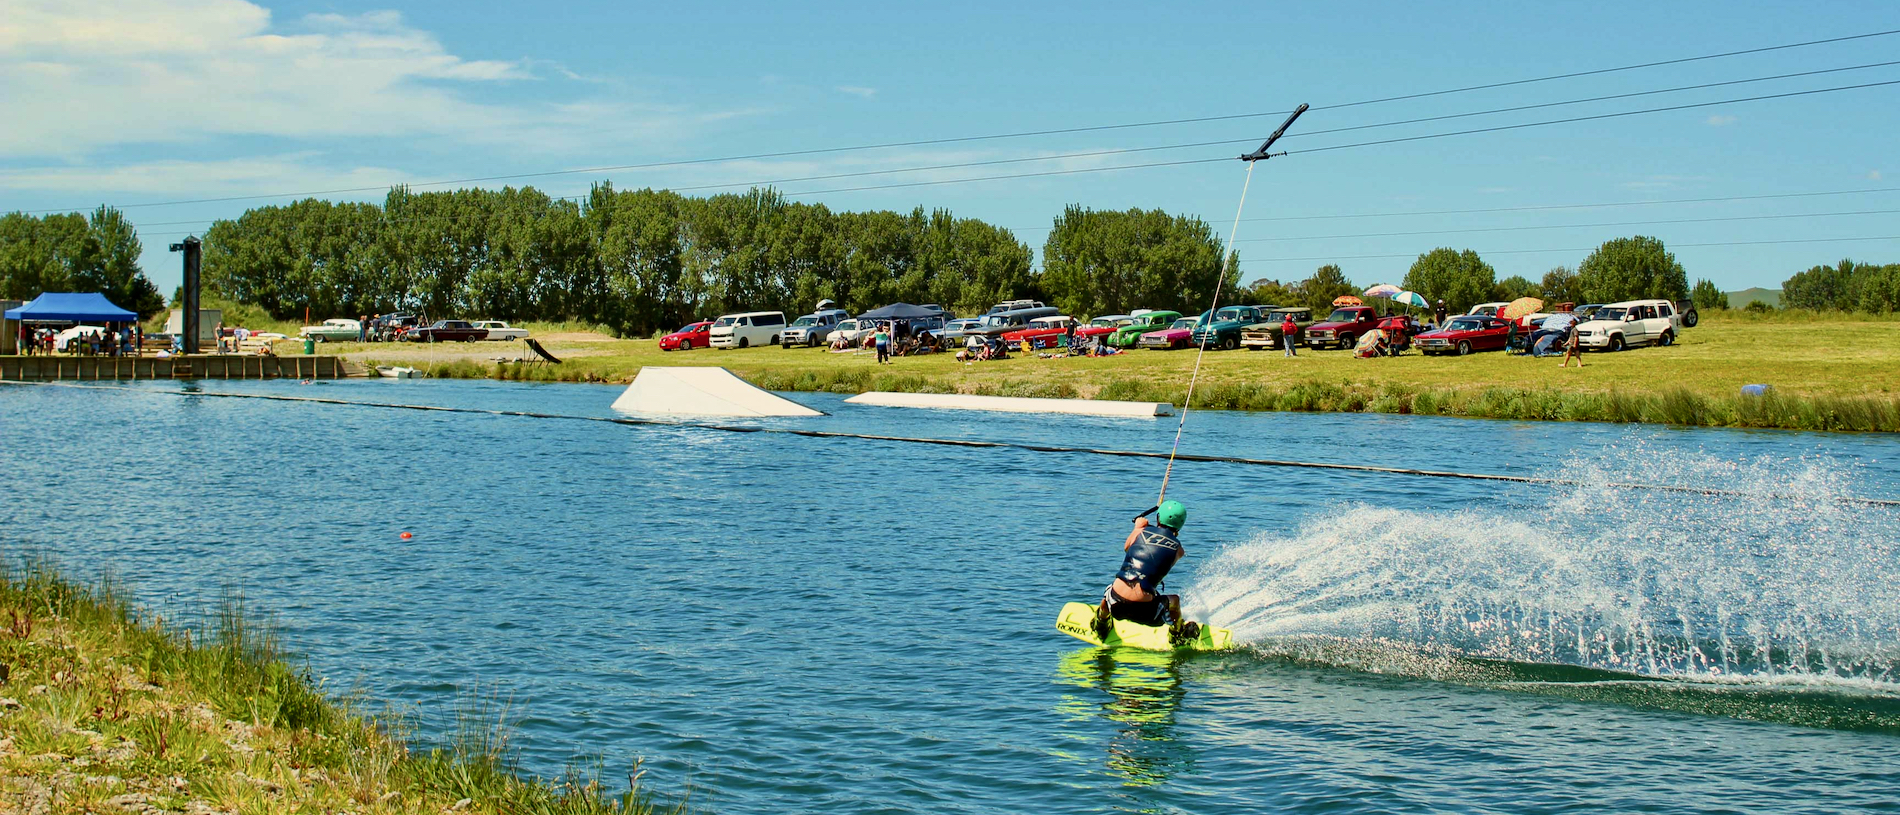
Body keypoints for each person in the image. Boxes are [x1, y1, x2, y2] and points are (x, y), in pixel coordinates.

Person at [1095, 500, 1198, 641]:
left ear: (1158, 517)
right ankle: (1177, 632)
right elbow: (1161, 547)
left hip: (1116, 606)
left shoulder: (1140, 533)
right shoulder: (1179, 550)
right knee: (1175, 600)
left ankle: (1101, 621)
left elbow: (1127, 547)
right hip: (1144, 612)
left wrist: (1137, 527)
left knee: (1109, 591)